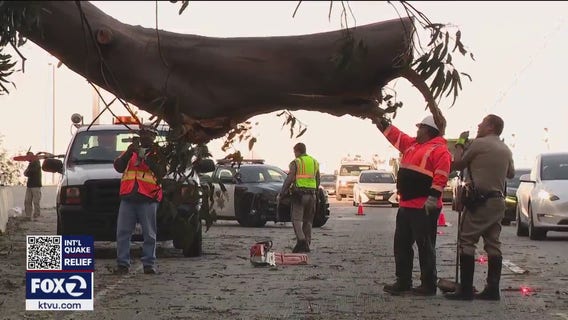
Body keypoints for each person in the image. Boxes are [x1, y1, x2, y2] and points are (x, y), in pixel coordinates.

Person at [372, 114, 451, 296]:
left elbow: (441, 175)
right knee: (401, 244)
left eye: (420, 127)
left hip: (424, 206)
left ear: (429, 130)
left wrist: (433, 197)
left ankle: (428, 284)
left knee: (425, 246)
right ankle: (403, 281)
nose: (417, 130)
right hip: (407, 204)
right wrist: (381, 122)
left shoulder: (440, 150)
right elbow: (396, 136)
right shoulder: (413, 145)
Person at [445, 114, 514, 301]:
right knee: (493, 243)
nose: (478, 125)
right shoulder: (506, 149)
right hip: (498, 201)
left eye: (482, 123)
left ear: (491, 126)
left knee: (467, 240)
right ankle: (492, 289)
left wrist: (460, 143)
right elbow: (511, 173)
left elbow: (457, 163)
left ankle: (465, 290)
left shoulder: (478, 144)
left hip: (479, 202)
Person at [113, 125, 166, 275]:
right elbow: (118, 166)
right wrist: (130, 152)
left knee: (149, 234)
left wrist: (146, 158)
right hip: (129, 196)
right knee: (123, 232)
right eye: (143, 134)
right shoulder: (131, 152)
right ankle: (123, 264)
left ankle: (149, 264)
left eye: (149, 135)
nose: (145, 138)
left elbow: (162, 171)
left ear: (154, 138)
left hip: (148, 197)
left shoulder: (158, 154)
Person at [279, 143, 320, 253]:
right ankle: (307, 243)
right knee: (308, 221)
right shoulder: (314, 162)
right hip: (312, 195)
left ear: (297, 151)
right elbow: (318, 180)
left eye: (294, 152)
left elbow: (290, 178)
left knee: (296, 220)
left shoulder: (296, 162)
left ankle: (301, 241)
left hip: (299, 195)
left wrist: (282, 193)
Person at [24, 151, 42, 221]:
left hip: (36, 185)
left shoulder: (36, 162)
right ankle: (28, 216)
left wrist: (27, 172)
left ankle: (36, 215)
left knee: (36, 201)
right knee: (27, 201)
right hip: (30, 185)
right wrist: (27, 172)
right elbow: (26, 173)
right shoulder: (31, 163)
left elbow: (30, 172)